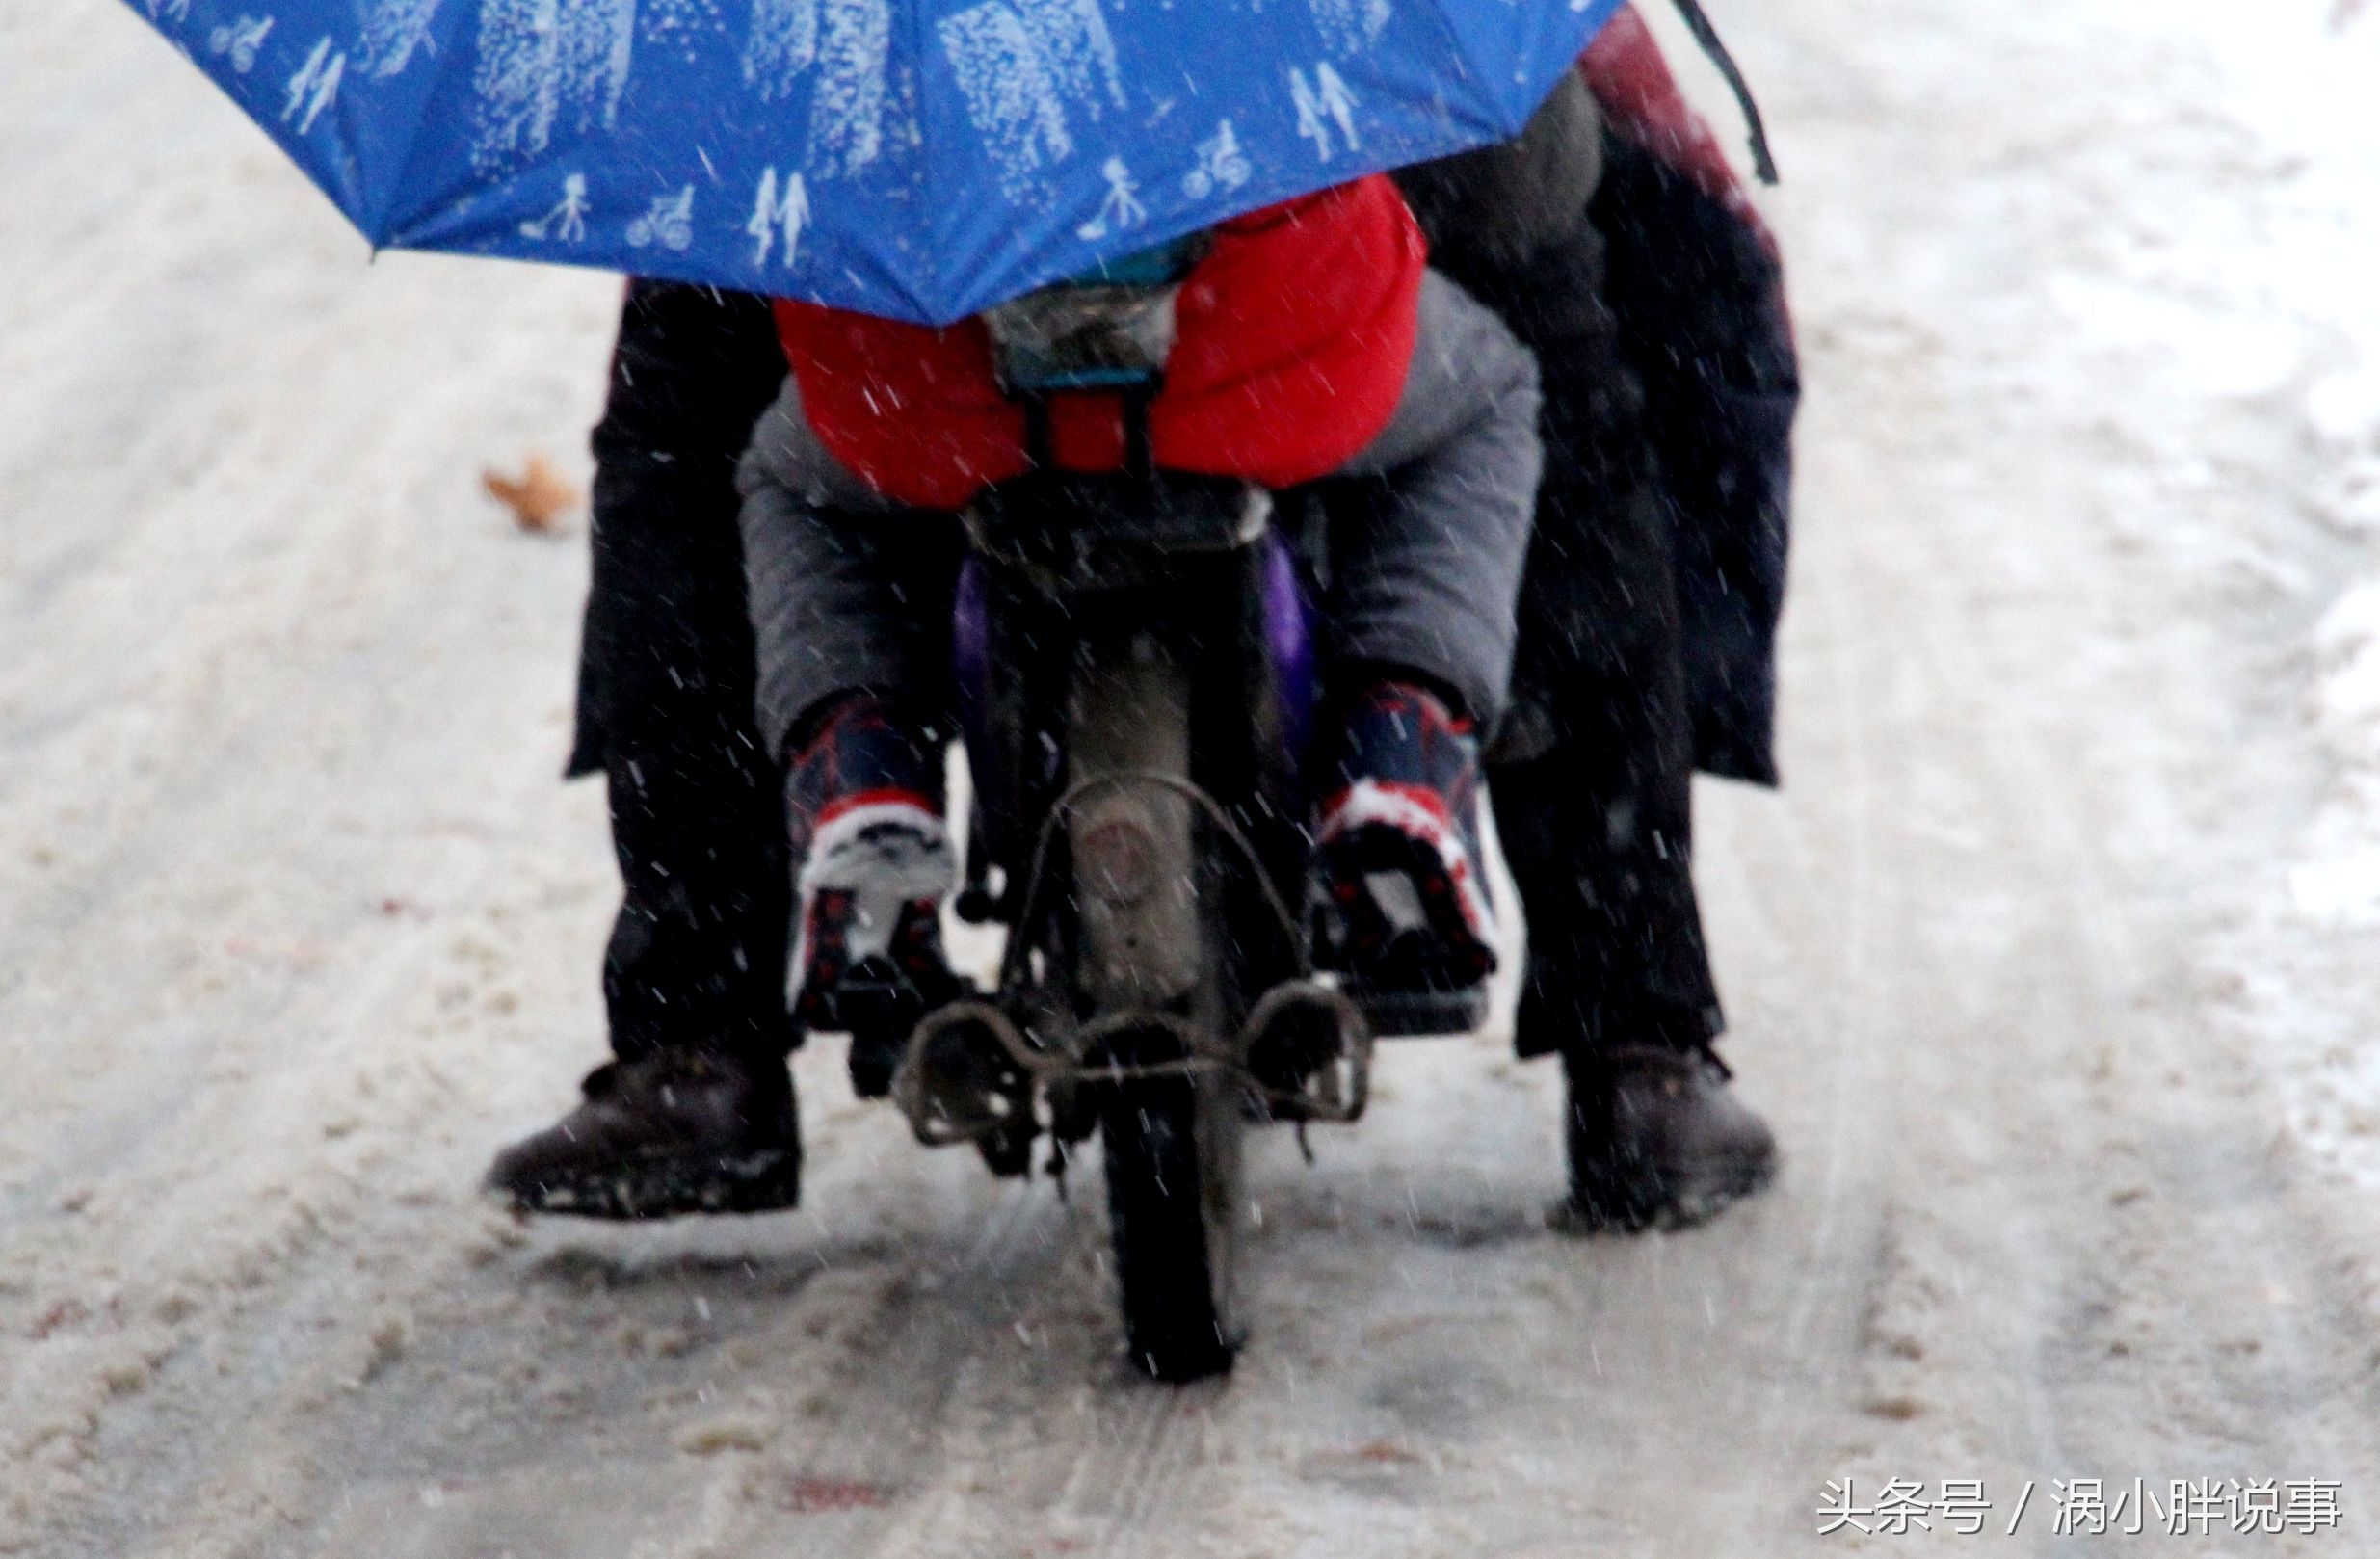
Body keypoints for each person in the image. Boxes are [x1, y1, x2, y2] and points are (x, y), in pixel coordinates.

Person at [488, 7, 1798, 1231]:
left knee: (698, 385)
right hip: (1312, 175)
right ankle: (1637, 1046)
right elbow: (1533, 188)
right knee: (1575, 332)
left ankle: (697, 1041)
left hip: (914, 228)